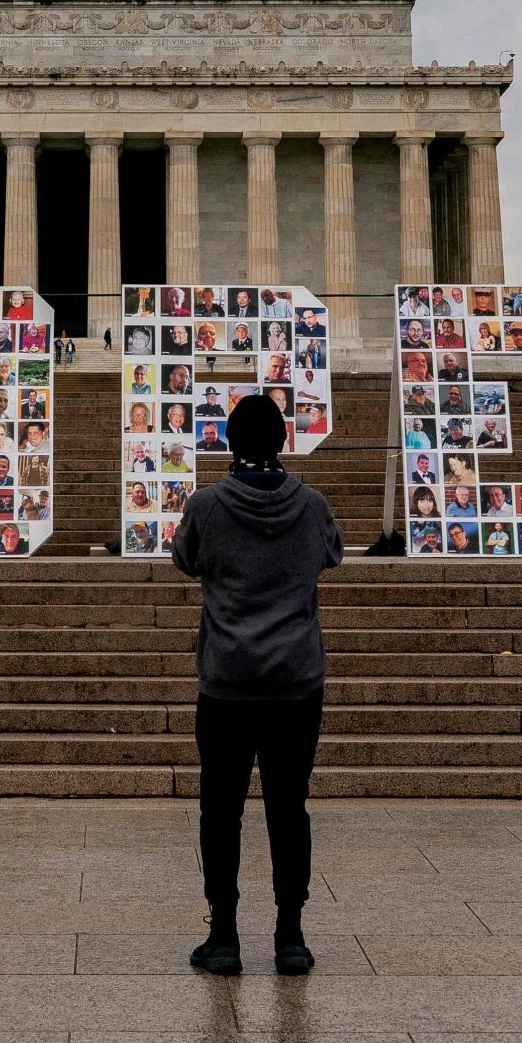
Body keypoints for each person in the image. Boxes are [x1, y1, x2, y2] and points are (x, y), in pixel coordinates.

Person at [169, 393, 344, 978]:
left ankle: (223, 936)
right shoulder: (311, 505)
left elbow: (185, 558)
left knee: (220, 811)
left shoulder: (207, 505)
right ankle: (290, 936)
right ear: (282, 441)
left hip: (227, 682)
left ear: (228, 442)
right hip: (296, 682)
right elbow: (332, 554)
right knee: (289, 808)